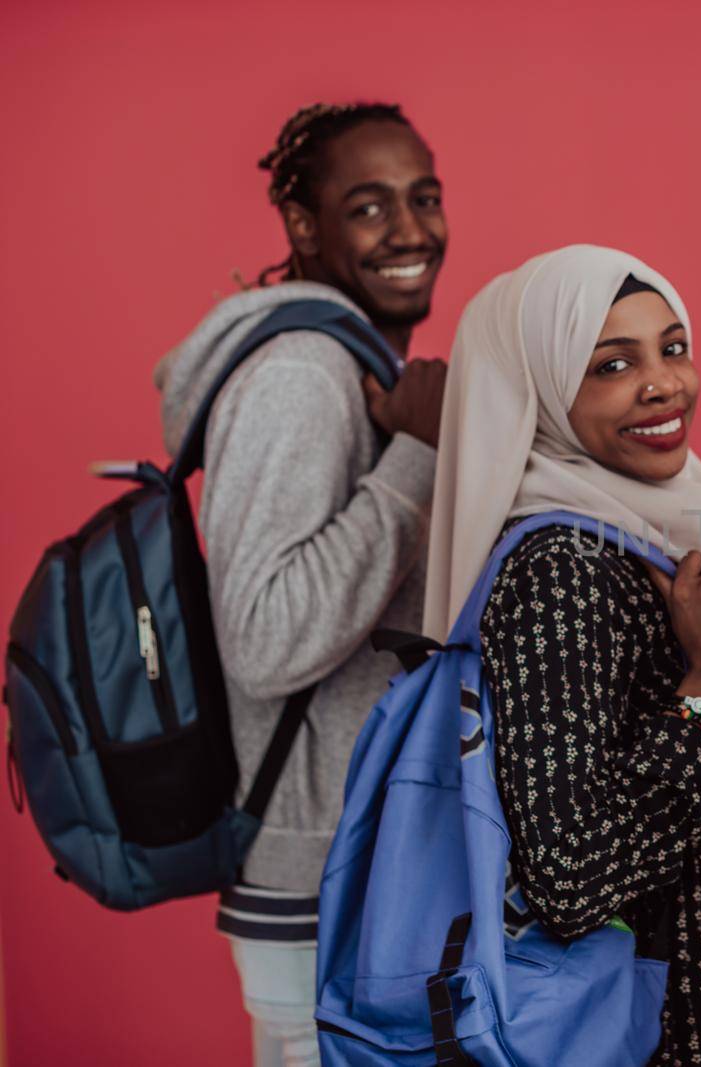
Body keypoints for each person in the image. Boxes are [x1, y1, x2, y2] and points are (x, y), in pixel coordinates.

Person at [422, 245, 701, 1065]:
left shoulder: (639, 539)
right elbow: (572, 878)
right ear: (542, 392)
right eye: (612, 364)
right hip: (652, 1030)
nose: (663, 383)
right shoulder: (563, 569)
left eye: (673, 346)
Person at [154, 101, 449, 1066]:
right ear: (303, 228)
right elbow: (266, 636)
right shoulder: (299, 374)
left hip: (362, 871)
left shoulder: (350, 359)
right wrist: (414, 455)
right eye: (369, 207)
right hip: (317, 884)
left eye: (424, 197)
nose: (410, 231)